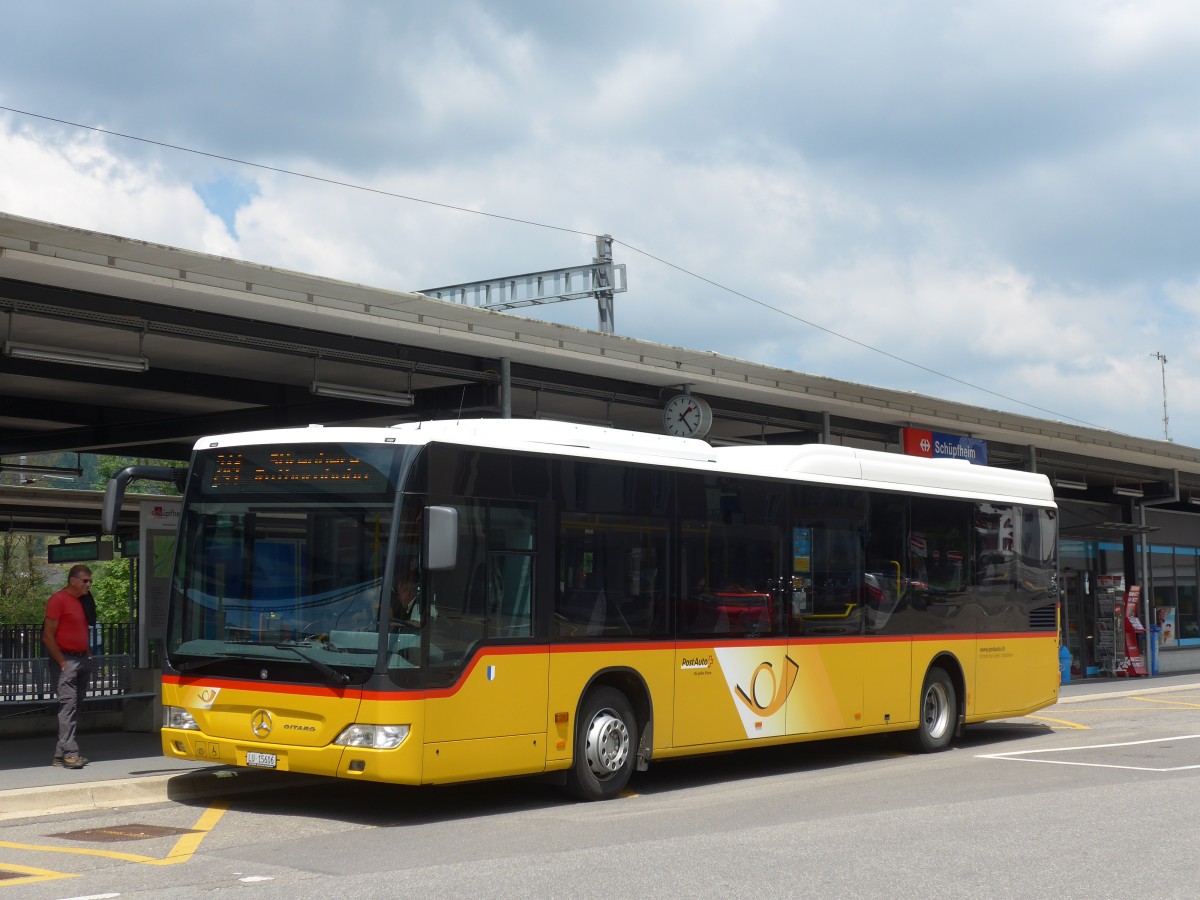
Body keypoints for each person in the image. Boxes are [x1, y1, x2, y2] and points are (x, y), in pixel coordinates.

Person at [42, 565, 93, 769]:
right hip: (66, 661)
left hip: (81, 659)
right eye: (85, 581)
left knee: (74, 707)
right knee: (68, 707)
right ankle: (70, 754)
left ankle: (59, 755)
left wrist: (88, 655)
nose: (88, 584)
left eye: (90, 581)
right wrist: (62, 662)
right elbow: (48, 636)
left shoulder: (82, 602)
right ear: (73, 581)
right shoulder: (58, 600)